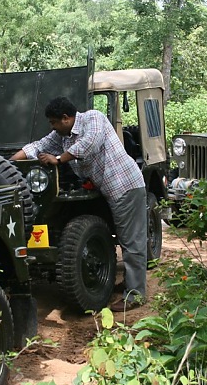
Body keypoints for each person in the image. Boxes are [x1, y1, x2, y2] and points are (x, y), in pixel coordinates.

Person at [10, 96, 148, 312]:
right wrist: (8, 164)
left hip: (126, 186)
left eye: (54, 122)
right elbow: (38, 146)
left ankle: (136, 295)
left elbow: (89, 145)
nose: (52, 127)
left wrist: (58, 159)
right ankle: (131, 283)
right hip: (110, 191)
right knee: (123, 236)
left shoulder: (94, 118)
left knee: (132, 241)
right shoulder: (61, 136)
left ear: (66, 118)